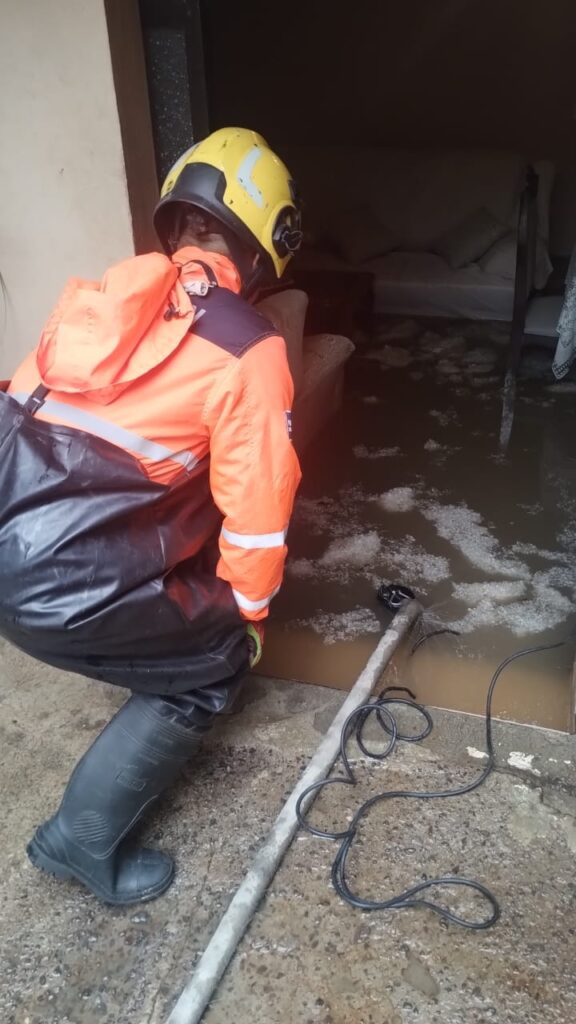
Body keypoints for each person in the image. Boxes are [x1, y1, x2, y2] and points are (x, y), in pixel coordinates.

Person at [0, 127, 303, 905]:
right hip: (59, 591)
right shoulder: (247, 346)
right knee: (214, 662)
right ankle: (80, 840)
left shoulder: (106, 300)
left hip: (11, 538)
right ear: (273, 238)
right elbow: (260, 510)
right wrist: (247, 613)